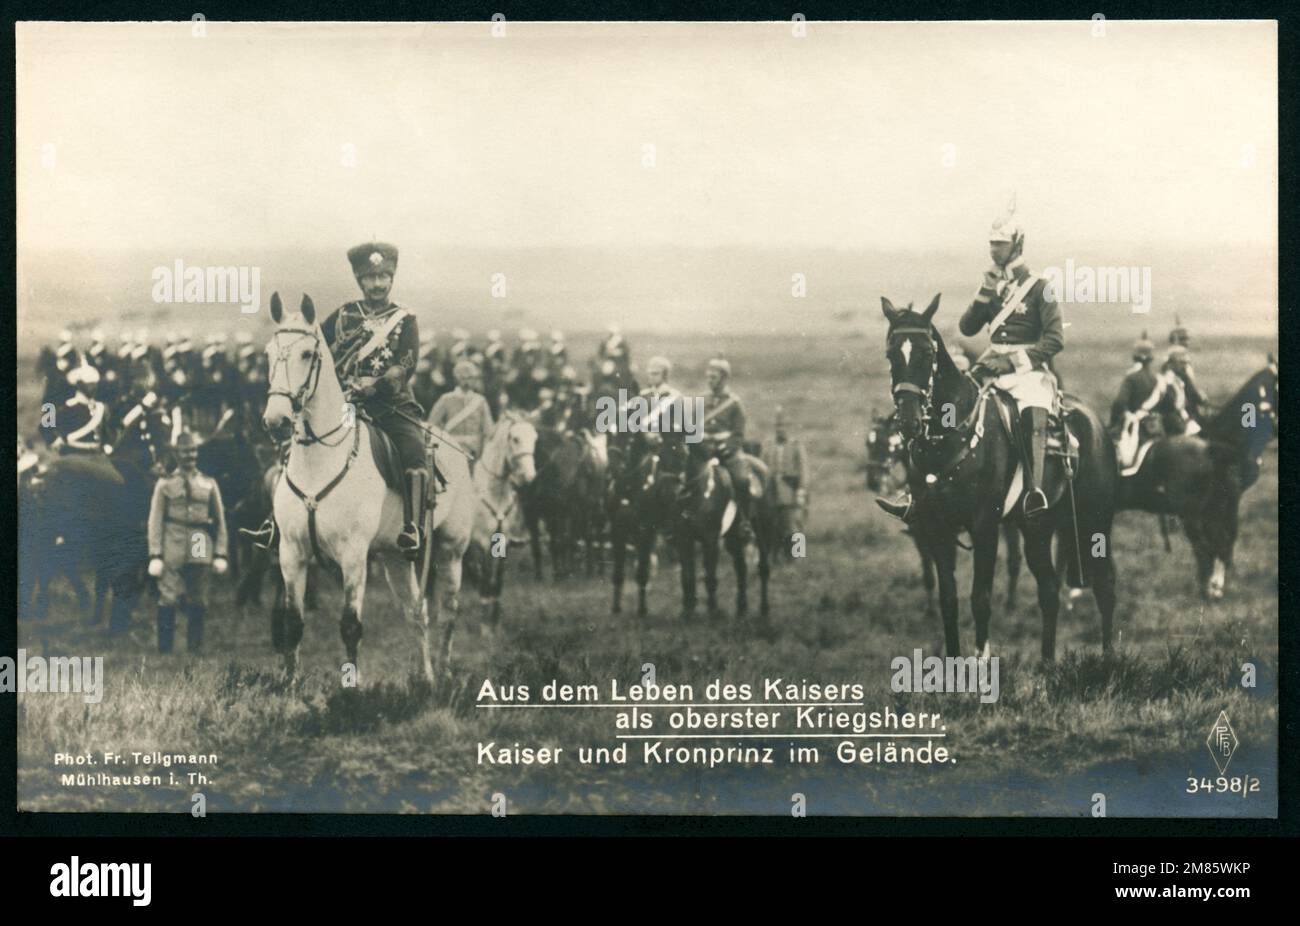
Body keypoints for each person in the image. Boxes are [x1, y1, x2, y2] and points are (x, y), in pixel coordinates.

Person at [877, 210, 1063, 522]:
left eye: (1000, 244)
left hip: (1028, 371)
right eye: (991, 243)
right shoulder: (993, 285)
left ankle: (1033, 491)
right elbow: (967, 328)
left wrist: (1013, 360)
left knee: (1032, 413)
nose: (994, 249)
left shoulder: (1039, 287)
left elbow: (1055, 339)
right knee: (945, 406)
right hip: (990, 365)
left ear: (1017, 245)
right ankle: (921, 492)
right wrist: (984, 294)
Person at [320, 242, 429, 558]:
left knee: (414, 454)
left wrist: (377, 385)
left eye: (384, 277)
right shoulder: (342, 316)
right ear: (359, 280)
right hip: (347, 408)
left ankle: (412, 529)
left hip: (389, 406)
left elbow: (405, 364)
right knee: (303, 443)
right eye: (370, 278)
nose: (378, 284)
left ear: (392, 279)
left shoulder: (405, 320)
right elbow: (318, 350)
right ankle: (282, 522)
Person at [147, 430, 228, 653]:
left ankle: (195, 647)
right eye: (185, 451)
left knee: (198, 595)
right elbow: (155, 521)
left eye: (193, 451)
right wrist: (155, 553)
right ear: (176, 453)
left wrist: (220, 552)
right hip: (173, 539)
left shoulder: (208, 483)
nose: (190, 455)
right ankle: (164, 650)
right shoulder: (165, 484)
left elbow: (220, 520)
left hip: (200, 539)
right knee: (168, 596)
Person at [701, 357, 755, 541]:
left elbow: (739, 434)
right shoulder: (701, 400)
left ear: (724, 378)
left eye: (714, 377)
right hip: (704, 452)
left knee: (742, 480)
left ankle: (745, 522)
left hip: (727, 453)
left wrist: (726, 448)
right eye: (708, 377)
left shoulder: (734, 403)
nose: (710, 380)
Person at [1110, 332, 1169, 471]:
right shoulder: (1157, 379)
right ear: (1151, 359)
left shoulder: (1132, 378)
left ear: (1135, 357)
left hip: (1136, 429)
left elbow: (1119, 402)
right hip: (1157, 429)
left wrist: (1119, 419)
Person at [428, 358, 493, 464]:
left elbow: (488, 431)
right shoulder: (446, 399)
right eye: (463, 378)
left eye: (471, 378)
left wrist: (484, 452)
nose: (467, 381)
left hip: (475, 453)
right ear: (457, 379)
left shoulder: (480, 401)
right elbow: (432, 425)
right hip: (451, 449)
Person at [764, 406, 809, 539]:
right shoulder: (768, 445)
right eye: (778, 426)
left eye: (783, 426)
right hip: (771, 491)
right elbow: (762, 467)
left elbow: (803, 470)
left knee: (795, 524)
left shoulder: (796, 445)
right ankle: (778, 552)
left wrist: (802, 490)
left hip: (791, 489)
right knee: (773, 524)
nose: (780, 429)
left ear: (789, 428)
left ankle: (798, 553)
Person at [52, 361, 108, 455]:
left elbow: (105, 435)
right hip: (75, 457)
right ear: (79, 385)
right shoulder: (68, 409)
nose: (93, 387)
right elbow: (47, 428)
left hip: (98, 457)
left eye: (95, 384)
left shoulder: (99, 407)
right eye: (89, 384)